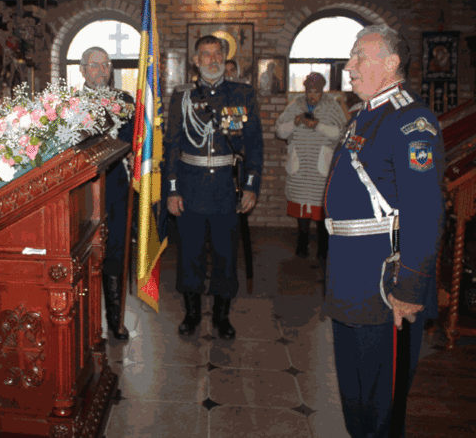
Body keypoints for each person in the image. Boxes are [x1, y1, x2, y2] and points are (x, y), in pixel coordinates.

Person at [325, 24, 444, 437]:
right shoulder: (365, 115)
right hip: (350, 279)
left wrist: (409, 288)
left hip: (384, 285)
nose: (349, 65)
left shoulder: (411, 121)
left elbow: (425, 211)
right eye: (351, 56)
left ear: (392, 63)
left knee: (381, 405)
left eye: (360, 56)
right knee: (355, 396)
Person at [164, 35, 264, 339]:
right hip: (190, 187)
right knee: (190, 254)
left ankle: (222, 316)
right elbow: (171, 145)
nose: (213, 59)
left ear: (225, 58)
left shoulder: (242, 93)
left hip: (226, 188)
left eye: (217, 53)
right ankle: (192, 314)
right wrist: (171, 190)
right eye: (206, 54)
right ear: (196, 61)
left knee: (225, 254)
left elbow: (253, 143)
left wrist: (251, 185)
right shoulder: (181, 96)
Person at [80, 46, 133, 341]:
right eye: (94, 65)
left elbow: (135, 140)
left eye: (105, 65)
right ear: (82, 70)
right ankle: (88, 322)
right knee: (86, 252)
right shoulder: (68, 105)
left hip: (116, 183)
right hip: (83, 189)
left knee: (115, 249)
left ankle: (115, 320)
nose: (101, 71)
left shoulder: (125, 101)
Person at [276, 72, 346, 261]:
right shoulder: (294, 106)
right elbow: (280, 131)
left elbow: (340, 133)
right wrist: (296, 121)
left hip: (321, 167)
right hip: (299, 166)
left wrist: (317, 125)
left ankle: (323, 247)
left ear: (323, 90)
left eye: (316, 91)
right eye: (309, 90)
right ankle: (302, 244)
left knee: (321, 208)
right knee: (301, 207)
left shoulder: (333, 106)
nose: (312, 95)